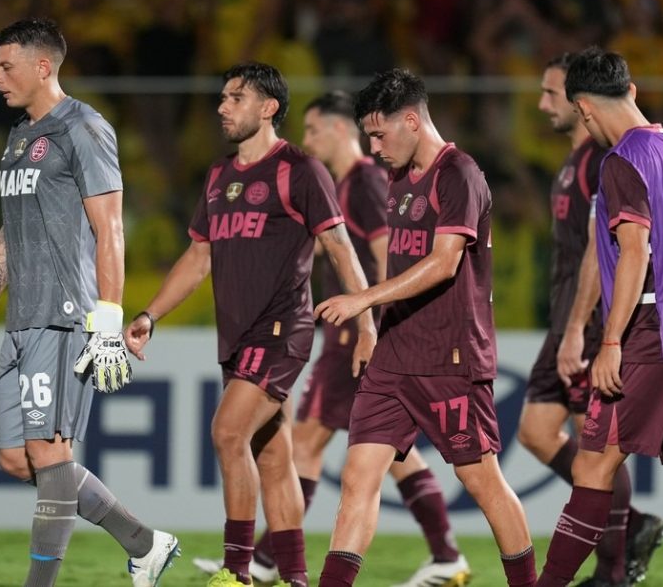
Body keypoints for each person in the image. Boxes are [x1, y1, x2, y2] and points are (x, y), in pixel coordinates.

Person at [192, 90, 472, 586]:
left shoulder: (363, 182)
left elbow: (388, 254)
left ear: (341, 130)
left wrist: (374, 326)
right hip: (354, 332)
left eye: (315, 129)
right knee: (380, 453)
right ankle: (445, 554)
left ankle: (267, 560)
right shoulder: (347, 184)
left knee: (310, 442)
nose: (308, 139)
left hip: (356, 338)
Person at [0, 18, 179, 587]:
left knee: (51, 459)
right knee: (17, 460)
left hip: (65, 316)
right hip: (21, 319)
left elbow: (110, 226)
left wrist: (108, 320)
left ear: (42, 66)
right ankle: (145, 544)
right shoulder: (18, 137)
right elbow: (12, 227)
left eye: (6, 66)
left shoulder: (84, 127)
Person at [123, 63, 378, 587]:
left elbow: (339, 246)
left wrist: (367, 322)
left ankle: (236, 571)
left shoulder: (300, 170)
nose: (222, 107)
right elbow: (198, 257)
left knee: (227, 431)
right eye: (222, 98)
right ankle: (295, 577)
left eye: (235, 98)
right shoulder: (219, 176)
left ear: (268, 108)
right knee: (274, 456)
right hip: (236, 338)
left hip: (282, 329)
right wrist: (150, 314)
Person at [312, 68, 538, 587]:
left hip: (450, 357)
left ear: (411, 121)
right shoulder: (397, 177)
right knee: (357, 480)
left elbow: (443, 263)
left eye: (378, 134)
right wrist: (371, 328)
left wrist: (363, 298)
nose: (373, 148)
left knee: (481, 481)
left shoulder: (458, 174)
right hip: (394, 356)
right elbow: (400, 259)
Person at [535, 47, 663, 587]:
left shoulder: (621, 161)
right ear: (630, 90)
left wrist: (610, 343)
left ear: (584, 108)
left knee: (592, 465)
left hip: (650, 330)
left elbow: (634, 251)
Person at [525, 52, 663, 587]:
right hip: (567, 318)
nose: (544, 104)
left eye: (552, 94)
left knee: (597, 451)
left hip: (585, 322)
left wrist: (579, 329)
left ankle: (614, 565)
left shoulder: (600, 162)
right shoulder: (575, 161)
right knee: (538, 432)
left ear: (582, 101)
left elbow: (596, 250)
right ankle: (630, 525)